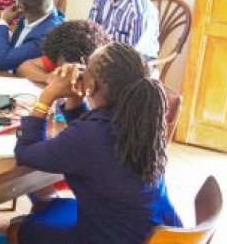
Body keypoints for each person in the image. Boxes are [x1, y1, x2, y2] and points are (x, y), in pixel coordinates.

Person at [12, 43, 182, 244]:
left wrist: (47, 96)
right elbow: (92, 138)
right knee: (47, 207)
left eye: (87, 69)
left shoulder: (89, 136)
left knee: (17, 228)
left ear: (91, 85)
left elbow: (24, 152)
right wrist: (74, 96)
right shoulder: (143, 121)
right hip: (162, 235)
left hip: (114, 238)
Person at [0, 0, 65, 72]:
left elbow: (2, 62)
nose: (14, 0)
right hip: (11, 64)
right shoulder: (35, 13)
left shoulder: (45, 37)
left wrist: (3, 20)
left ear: (21, 7)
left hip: (20, 79)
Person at [18, 20, 111, 83]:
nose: (64, 71)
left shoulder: (102, 79)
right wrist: (46, 78)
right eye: (60, 66)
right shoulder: (63, 53)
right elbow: (24, 68)